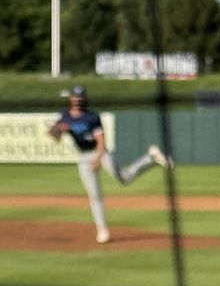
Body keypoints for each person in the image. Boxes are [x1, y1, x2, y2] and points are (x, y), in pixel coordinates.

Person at [48, 85, 174, 245]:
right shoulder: (65, 116)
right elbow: (56, 137)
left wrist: (97, 159)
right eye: (75, 96)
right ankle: (102, 230)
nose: (77, 99)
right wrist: (55, 130)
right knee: (94, 195)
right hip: (84, 157)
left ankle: (151, 157)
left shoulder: (92, 117)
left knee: (124, 178)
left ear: (84, 99)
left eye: (80, 96)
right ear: (71, 98)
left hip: (100, 152)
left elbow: (101, 142)